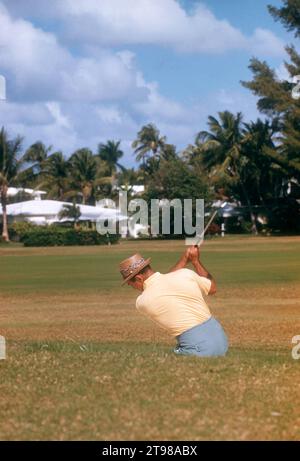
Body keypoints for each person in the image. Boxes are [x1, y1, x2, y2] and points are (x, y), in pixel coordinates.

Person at [119, 246, 228, 357]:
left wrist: (184, 260)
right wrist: (195, 261)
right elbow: (213, 288)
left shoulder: (142, 302)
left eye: (130, 283)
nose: (130, 285)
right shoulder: (185, 274)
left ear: (138, 278)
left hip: (199, 349)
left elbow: (162, 285)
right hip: (222, 342)